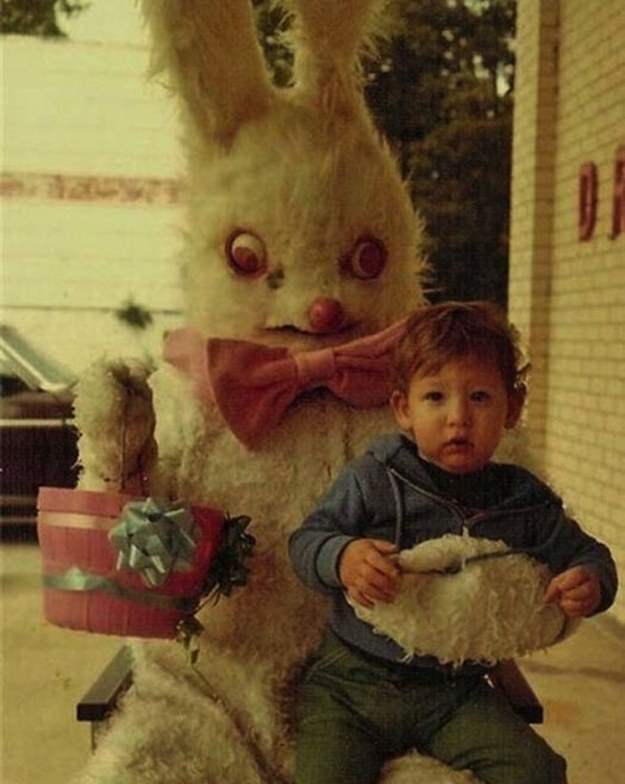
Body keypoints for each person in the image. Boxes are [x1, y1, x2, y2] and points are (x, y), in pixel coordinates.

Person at [288, 300, 618, 784]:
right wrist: (342, 557)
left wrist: (591, 582)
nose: (458, 417)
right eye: (436, 397)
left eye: (480, 397)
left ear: (514, 406)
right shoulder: (374, 479)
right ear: (403, 408)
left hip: (452, 690)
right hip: (350, 684)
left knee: (539, 772)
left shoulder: (524, 501)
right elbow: (305, 541)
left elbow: (589, 553)